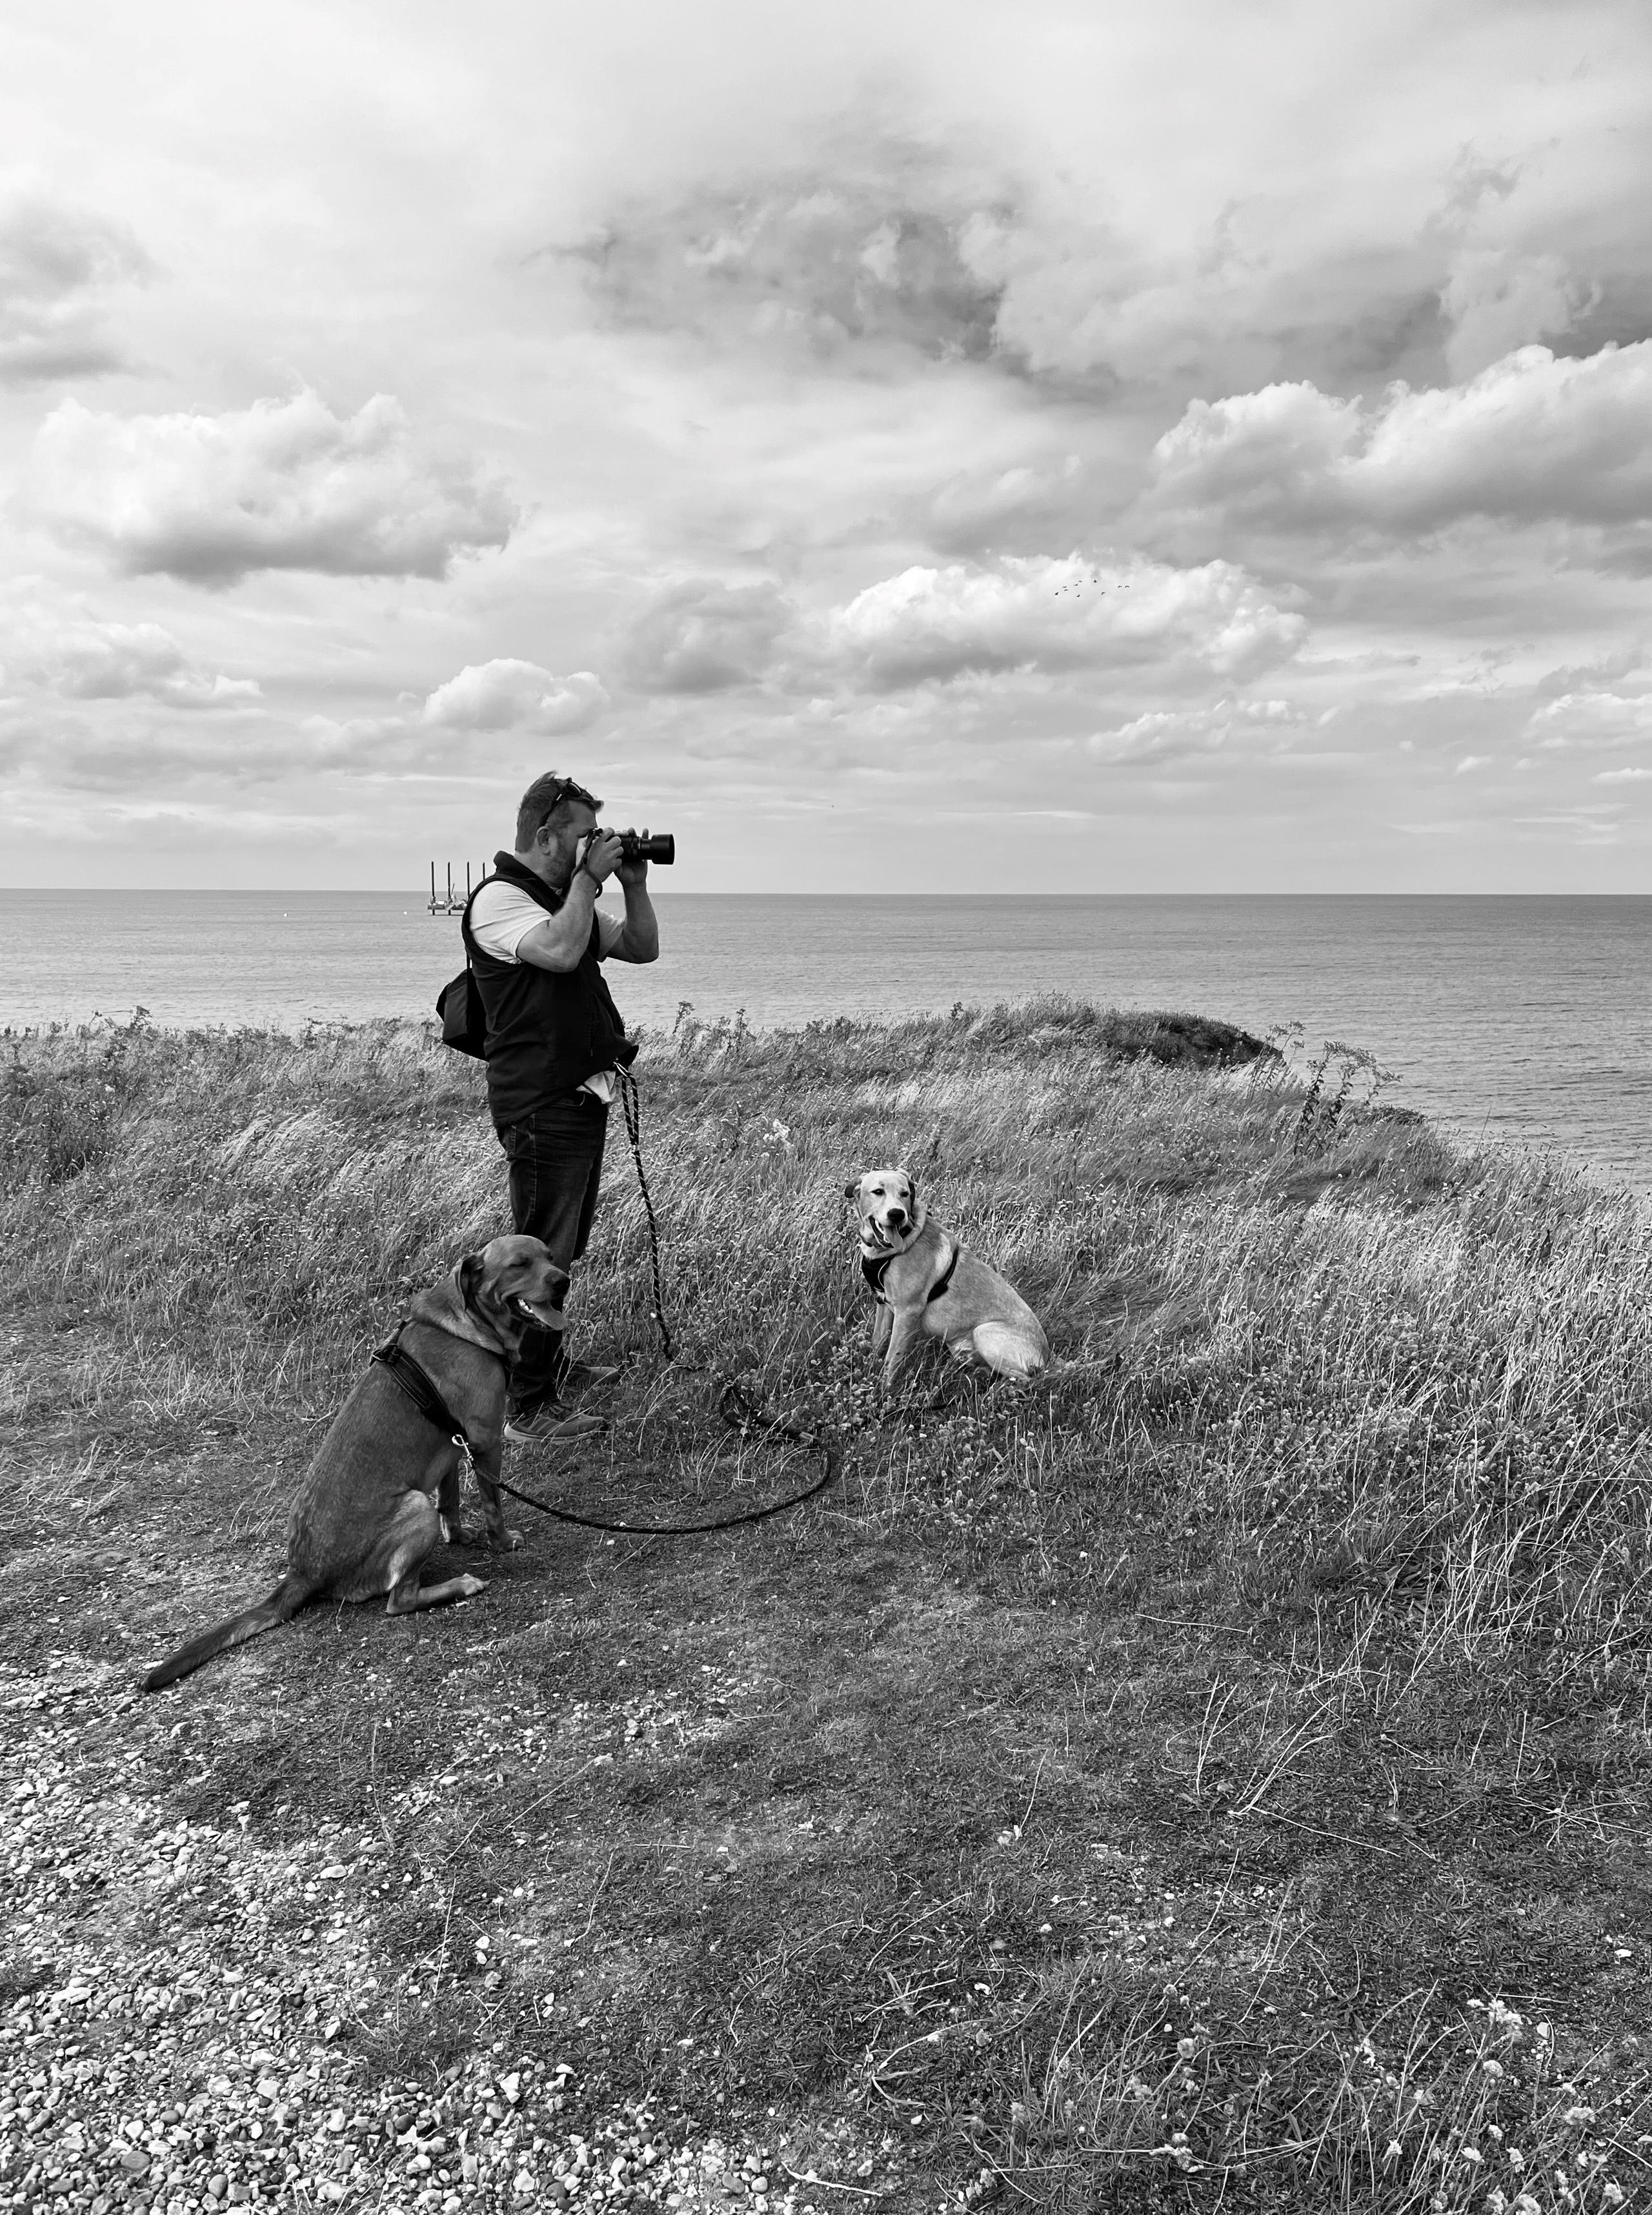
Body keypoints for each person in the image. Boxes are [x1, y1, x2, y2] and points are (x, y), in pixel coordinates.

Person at [463, 771, 660, 1444]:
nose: (594, 845)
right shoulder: (501, 901)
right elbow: (556, 950)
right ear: (545, 836)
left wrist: (630, 883)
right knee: (540, 1252)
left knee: (559, 1248)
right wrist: (588, 882)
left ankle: (551, 1365)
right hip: (540, 1103)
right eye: (584, 835)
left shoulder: (556, 897)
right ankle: (527, 1407)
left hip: (577, 1098)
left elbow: (641, 947)